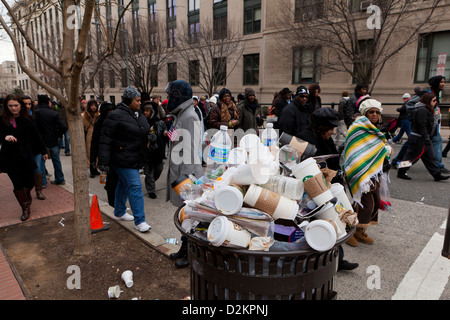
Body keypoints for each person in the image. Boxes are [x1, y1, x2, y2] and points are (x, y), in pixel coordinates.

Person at [298, 107, 358, 271]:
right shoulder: (305, 138)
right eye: (330, 128)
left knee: (335, 220)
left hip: (329, 189)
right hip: (312, 193)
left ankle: (337, 260)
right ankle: (329, 261)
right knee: (323, 223)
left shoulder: (325, 138)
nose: (332, 131)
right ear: (321, 126)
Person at [98, 87, 152, 233]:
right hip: (120, 158)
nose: (140, 103)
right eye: (137, 100)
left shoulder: (138, 115)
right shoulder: (115, 116)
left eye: (140, 100)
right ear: (128, 101)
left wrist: (150, 136)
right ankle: (140, 221)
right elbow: (105, 139)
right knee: (135, 187)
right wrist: (103, 161)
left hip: (134, 157)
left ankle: (119, 212)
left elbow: (143, 130)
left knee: (123, 185)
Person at [165, 80, 203, 268]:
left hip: (186, 176)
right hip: (181, 173)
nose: (167, 99)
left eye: (170, 96)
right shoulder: (182, 115)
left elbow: (190, 150)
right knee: (184, 215)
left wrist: (185, 182)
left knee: (190, 217)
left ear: (177, 96)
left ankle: (191, 253)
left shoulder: (189, 117)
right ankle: (184, 248)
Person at [343, 98, 391, 246]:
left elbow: (375, 147)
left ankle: (358, 229)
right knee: (365, 203)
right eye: (372, 112)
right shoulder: (358, 128)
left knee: (374, 201)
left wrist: (383, 149)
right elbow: (356, 151)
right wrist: (385, 149)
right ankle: (352, 230)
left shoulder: (373, 128)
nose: (375, 114)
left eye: (377, 112)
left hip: (372, 172)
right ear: (365, 113)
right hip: (360, 173)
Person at [0, 94, 48, 221]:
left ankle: (26, 194)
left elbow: (37, 136)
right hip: (9, 157)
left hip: (26, 155)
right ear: (6, 106)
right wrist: (4, 137)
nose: (13, 108)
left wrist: (44, 151)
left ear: (21, 106)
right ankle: (25, 208)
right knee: (17, 184)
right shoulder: (2, 119)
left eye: (16, 105)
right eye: (10, 106)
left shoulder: (28, 119)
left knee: (30, 182)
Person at [397, 92, 449, 182]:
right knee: (411, 157)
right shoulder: (422, 110)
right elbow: (422, 125)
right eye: (434, 100)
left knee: (430, 157)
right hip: (419, 138)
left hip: (422, 138)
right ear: (428, 101)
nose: (435, 102)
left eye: (436, 100)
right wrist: (426, 137)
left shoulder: (426, 109)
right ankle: (401, 172)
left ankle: (436, 174)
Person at [34, 94, 67, 185]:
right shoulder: (54, 113)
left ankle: (43, 182)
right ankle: (60, 179)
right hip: (53, 140)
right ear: (48, 102)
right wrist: (58, 134)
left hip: (40, 142)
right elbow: (63, 126)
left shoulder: (36, 113)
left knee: (41, 162)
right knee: (56, 160)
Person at [90, 102, 118, 207]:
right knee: (111, 181)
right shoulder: (100, 123)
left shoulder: (118, 121)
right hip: (105, 157)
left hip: (117, 154)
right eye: (109, 112)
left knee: (117, 181)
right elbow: (94, 141)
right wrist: (93, 159)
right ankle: (112, 203)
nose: (111, 113)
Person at [142, 101, 166, 199]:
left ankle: (150, 182)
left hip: (158, 151)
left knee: (158, 169)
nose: (145, 113)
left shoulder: (159, 123)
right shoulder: (142, 122)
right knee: (149, 172)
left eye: (148, 111)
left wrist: (165, 134)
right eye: (144, 111)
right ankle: (151, 190)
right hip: (147, 152)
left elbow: (164, 133)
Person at [427, 76, 449, 173]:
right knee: (437, 140)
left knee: (413, 144)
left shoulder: (435, 92)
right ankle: (438, 166)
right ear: (436, 83)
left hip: (432, 124)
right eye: (441, 82)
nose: (443, 84)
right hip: (427, 124)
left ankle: (398, 161)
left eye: (444, 82)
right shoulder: (430, 93)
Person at [81, 99, 100, 178]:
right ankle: (92, 170)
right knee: (89, 153)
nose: (93, 107)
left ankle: (95, 168)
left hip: (98, 135)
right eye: (92, 106)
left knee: (97, 153)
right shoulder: (84, 115)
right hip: (89, 135)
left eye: (95, 105)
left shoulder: (98, 115)